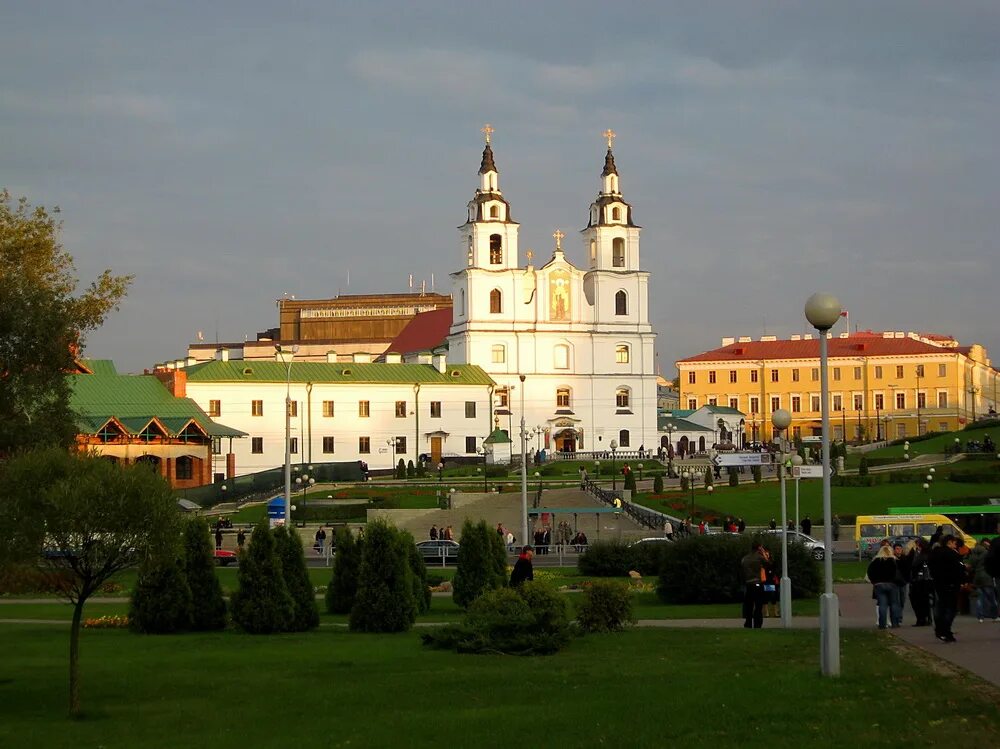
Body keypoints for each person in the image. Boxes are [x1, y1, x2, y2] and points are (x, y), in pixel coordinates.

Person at [929, 534, 966, 643]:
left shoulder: (935, 553)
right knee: (951, 609)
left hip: (938, 584)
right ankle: (946, 631)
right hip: (951, 584)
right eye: (954, 543)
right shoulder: (951, 554)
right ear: (949, 542)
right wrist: (963, 575)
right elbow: (957, 569)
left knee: (940, 607)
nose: (956, 545)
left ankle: (939, 630)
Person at [867, 545, 900, 629]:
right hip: (892, 584)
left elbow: (869, 572)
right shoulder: (894, 561)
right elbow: (898, 573)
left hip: (879, 584)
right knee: (894, 604)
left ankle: (882, 624)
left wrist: (874, 582)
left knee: (882, 605)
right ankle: (895, 623)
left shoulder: (875, 561)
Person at [968, 537, 998, 622]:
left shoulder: (973, 553)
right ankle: (995, 615)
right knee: (991, 598)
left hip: (977, 577)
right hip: (987, 576)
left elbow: (971, 566)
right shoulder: (987, 552)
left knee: (980, 598)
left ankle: (980, 617)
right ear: (986, 543)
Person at [908, 537, 934, 627]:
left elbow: (914, 566)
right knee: (925, 600)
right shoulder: (929, 554)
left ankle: (921, 619)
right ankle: (926, 618)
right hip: (927, 580)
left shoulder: (921, 555)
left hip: (920, 580)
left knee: (917, 600)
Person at [740, 542, 766, 628]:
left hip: (748, 584)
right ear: (759, 548)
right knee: (758, 605)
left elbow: (742, 572)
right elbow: (769, 564)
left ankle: (748, 623)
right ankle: (757, 623)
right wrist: (763, 553)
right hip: (757, 583)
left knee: (749, 605)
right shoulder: (759, 558)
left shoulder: (745, 558)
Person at [761, 546, 778, 619]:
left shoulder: (772, 562)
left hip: (771, 580)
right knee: (766, 596)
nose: (766, 554)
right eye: (765, 553)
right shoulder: (762, 562)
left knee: (773, 596)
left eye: (767, 553)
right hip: (765, 580)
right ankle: (766, 612)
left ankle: (775, 612)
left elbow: (772, 567)